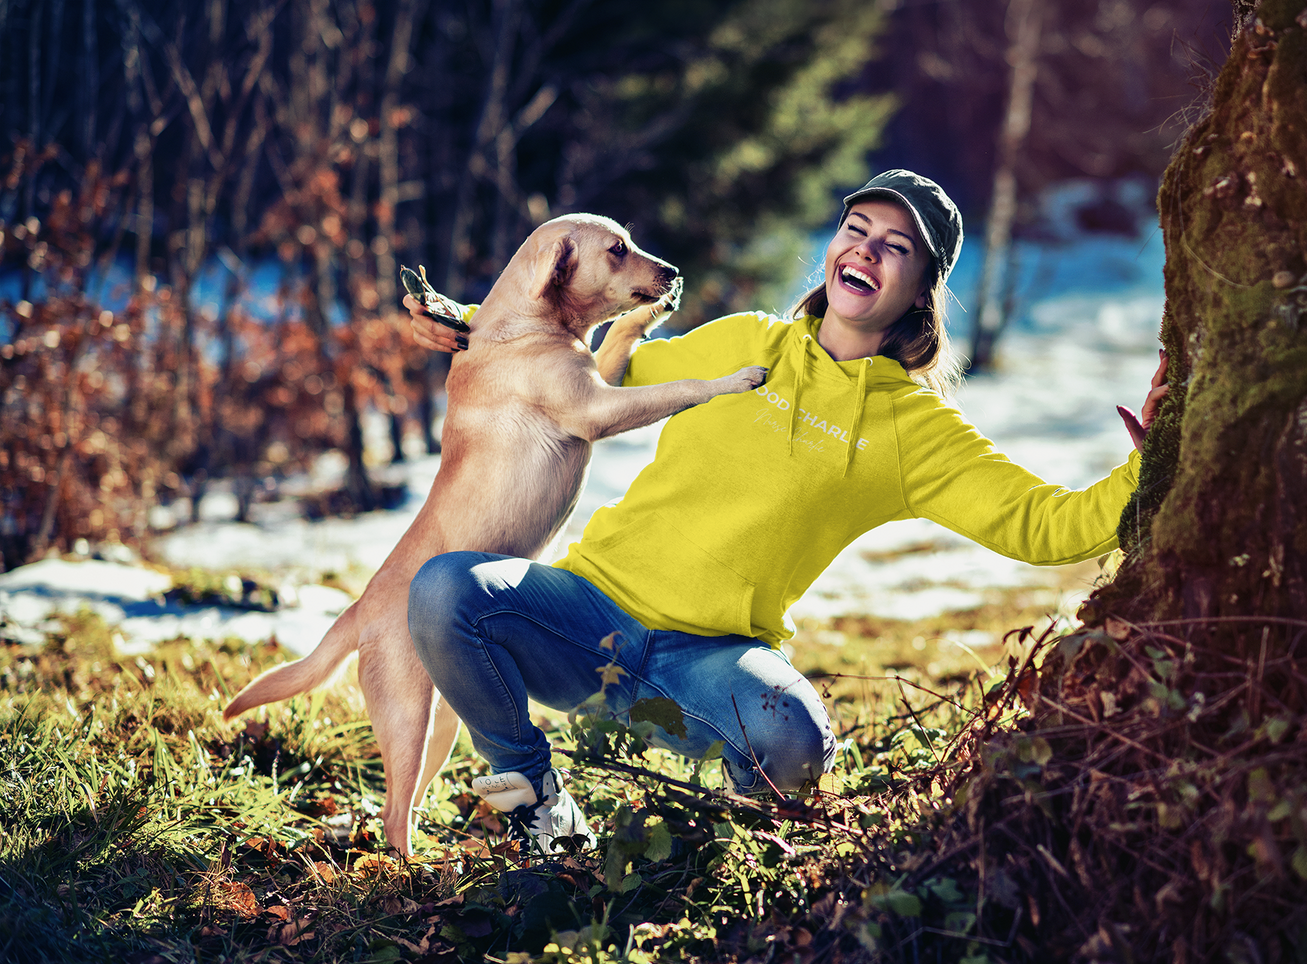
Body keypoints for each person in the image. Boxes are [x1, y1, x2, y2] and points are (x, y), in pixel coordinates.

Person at [404, 170, 1169, 854]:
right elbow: (598, 370)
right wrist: (474, 325)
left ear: (922, 287)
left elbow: (1044, 526)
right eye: (856, 231)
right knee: (445, 590)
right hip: (581, 619)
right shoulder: (744, 340)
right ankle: (535, 795)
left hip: (706, 665)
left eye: (894, 247)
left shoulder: (912, 431)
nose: (864, 252)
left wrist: (1150, 459)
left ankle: (715, 845)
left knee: (793, 735)